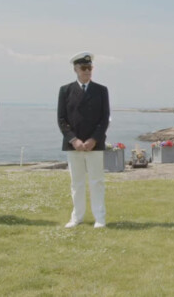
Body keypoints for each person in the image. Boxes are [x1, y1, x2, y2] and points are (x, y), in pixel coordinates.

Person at [57, 52, 110, 229]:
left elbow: (104, 118)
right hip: (75, 145)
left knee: (97, 182)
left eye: (90, 68)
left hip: (94, 144)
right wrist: (73, 140)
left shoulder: (101, 90)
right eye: (84, 68)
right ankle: (77, 217)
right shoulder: (65, 90)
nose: (87, 71)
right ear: (76, 69)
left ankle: (100, 217)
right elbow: (61, 119)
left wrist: (94, 139)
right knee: (77, 182)